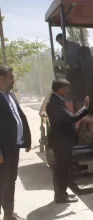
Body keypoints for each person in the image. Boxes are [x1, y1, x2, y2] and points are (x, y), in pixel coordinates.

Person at [46, 78, 90, 203]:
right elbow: (71, 118)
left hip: (61, 141)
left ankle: (62, 194)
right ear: (60, 89)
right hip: (61, 142)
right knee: (61, 170)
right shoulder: (56, 103)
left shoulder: (56, 100)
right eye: (66, 88)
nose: (68, 90)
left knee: (62, 169)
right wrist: (85, 108)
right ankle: (61, 196)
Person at [0, 65, 31, 220]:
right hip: (3, 151)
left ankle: (8, 213)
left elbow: (19, 117)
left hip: (14, 148)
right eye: (11, 77)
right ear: (1, 79)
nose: (13, 80)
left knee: (10, 181)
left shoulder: (10, 95)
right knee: (2, 183)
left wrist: (26, 139)